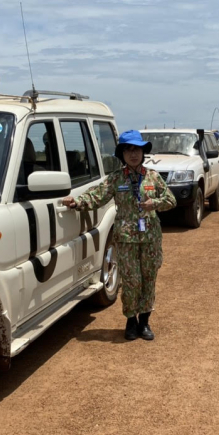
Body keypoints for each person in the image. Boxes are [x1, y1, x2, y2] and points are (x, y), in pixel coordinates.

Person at [62, 130, 176, 341]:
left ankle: (145, 322)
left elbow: (171, 200)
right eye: (128, 150)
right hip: (126, 240)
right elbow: (96, 196)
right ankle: (131, 321)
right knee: (131, 281)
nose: (133, 154)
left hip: (150, 239)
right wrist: (76, 202)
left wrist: (155, 204)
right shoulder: (115, 179)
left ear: (143, 152)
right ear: (122, 154)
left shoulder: (153, 177)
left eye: (137, 149)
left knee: (149, 279)